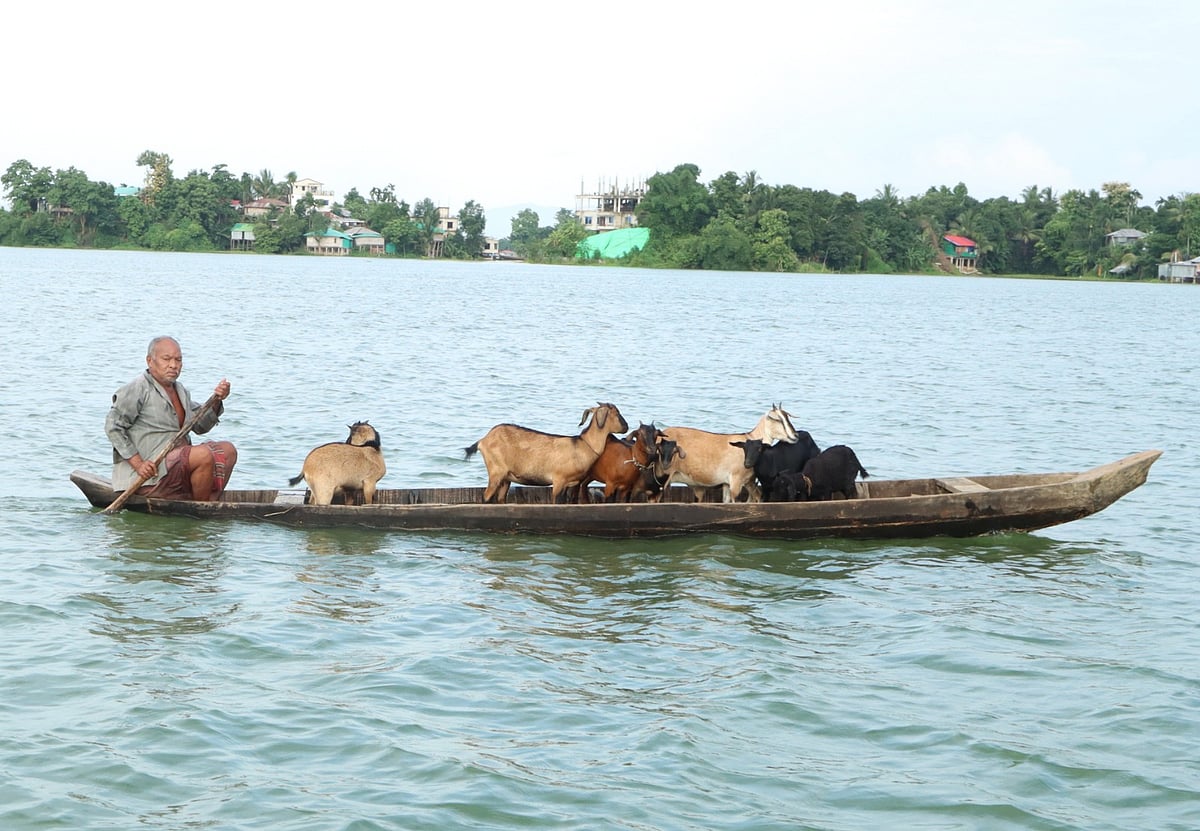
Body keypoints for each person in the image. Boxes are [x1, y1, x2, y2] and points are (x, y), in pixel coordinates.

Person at [105, 336, 238, 500]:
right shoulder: (138, 388)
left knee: (228, 451)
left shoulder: (180, 391)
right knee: (203, 455)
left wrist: (217, 400)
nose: (173, 365)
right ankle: (200, 511)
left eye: (178, 360)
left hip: (176, 468)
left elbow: (200, 426)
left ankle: (208, 501)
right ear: (150, 361)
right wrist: (139, 464)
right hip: (149, 476)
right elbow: (113, 427)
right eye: (166, 359)